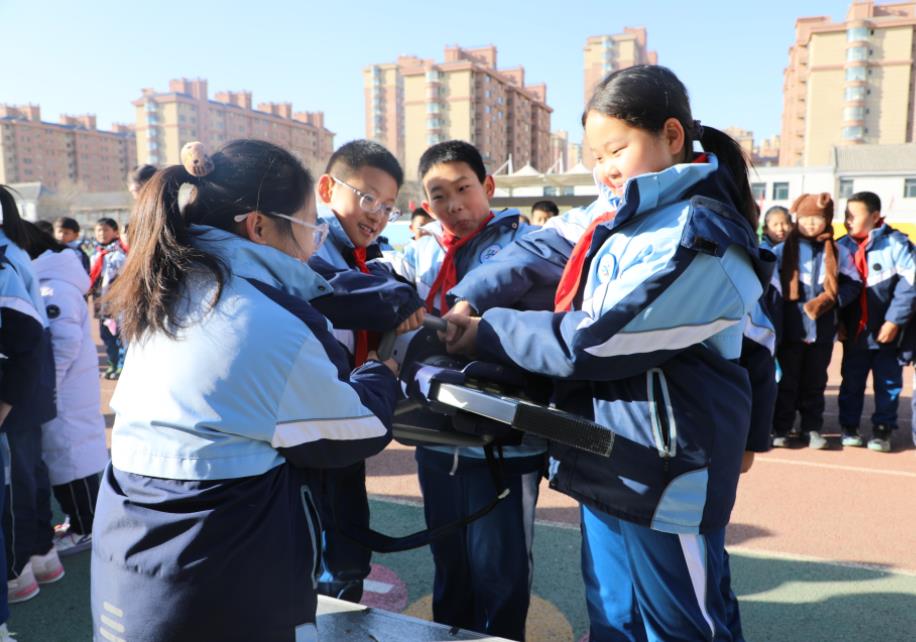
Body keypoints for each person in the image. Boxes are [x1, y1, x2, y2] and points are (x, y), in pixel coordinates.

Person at [443, 65, 774, 641]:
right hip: (601, 451)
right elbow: (538, 248)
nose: (604, 170)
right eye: (595, 157)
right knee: (612, 617)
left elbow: (601, 341)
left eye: (616, 149)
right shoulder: (618, 213)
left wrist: (486, 332)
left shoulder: (704, 234)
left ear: (672, 136)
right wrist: (467, 299)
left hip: (665, 471)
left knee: (683, 626)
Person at [89, 140, 400, 642]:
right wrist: (379, 372)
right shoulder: (264, 317)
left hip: (128, 559)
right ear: (258, 225)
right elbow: (357, 430)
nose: (314, 244)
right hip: (218, 575)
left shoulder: (168, 287)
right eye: (309, 227)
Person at [390, 140, 541, 641]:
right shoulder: (419, 250)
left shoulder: (527, 245)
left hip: (501, 442)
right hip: (435, 438)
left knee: (501, 571)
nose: (454, 205)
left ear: (488, 187)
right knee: (449, 564)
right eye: (439, 195)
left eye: (463, 188)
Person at [308, 139, 424, 602]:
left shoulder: (366, 258)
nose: (377, 215)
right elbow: (325, 286)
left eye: (389, 208)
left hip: (345, 420)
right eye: (367, 197)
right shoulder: (310, 245)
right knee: (323, 555)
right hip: (314, 428)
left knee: (347, 538)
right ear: (326, 188)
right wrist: (396, 299)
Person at [26, 223, 109, 555]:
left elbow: (64, 340)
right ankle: (83, 522)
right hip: (69, 385)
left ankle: (86, 526)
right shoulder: (53, 278)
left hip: (65, 388)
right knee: (73, 456)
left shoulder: (52, 285)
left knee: (72, 460)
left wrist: (49, 385)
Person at [0, 189, 58, 610]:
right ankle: (41, 556)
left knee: (18, 473)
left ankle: (19, 570)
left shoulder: (5, 254)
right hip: (32, 368)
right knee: (30, 467)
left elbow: (23, 333)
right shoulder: (14, 247)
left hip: (19, 371)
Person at [770, 193, 861, 449]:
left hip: (822, 330)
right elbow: (773, 289)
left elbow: (854, 283)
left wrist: (834, 301)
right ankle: (782, 427)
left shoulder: (839, 252)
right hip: (791, 328)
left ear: (828, 220)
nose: (811, 224)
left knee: (815, 381)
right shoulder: (782, 250)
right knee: (787, 381)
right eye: (806, 218)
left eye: (817, 219)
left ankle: (811, 428)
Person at [837, 192, 914, 452]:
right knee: (851, 381)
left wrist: (894, 320)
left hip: (888, 334)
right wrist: (838, 322)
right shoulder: (840, 247)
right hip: (855, 334)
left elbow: (910, 285)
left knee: (888, 383)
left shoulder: (897, 244)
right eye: (845, 215)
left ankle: (883, 429)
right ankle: (849, 426)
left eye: (853, 216)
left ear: (874, 216)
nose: (847, 221)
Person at [89, 218, 127, 379]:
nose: (101, 234)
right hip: (100, 300)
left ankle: (121, 366)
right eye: (98, 230)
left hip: (116, 301)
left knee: (118, 334)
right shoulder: (96, 253)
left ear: (115, 232)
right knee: (105, 335)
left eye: (105, 230)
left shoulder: (120, 254)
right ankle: (112, 363)